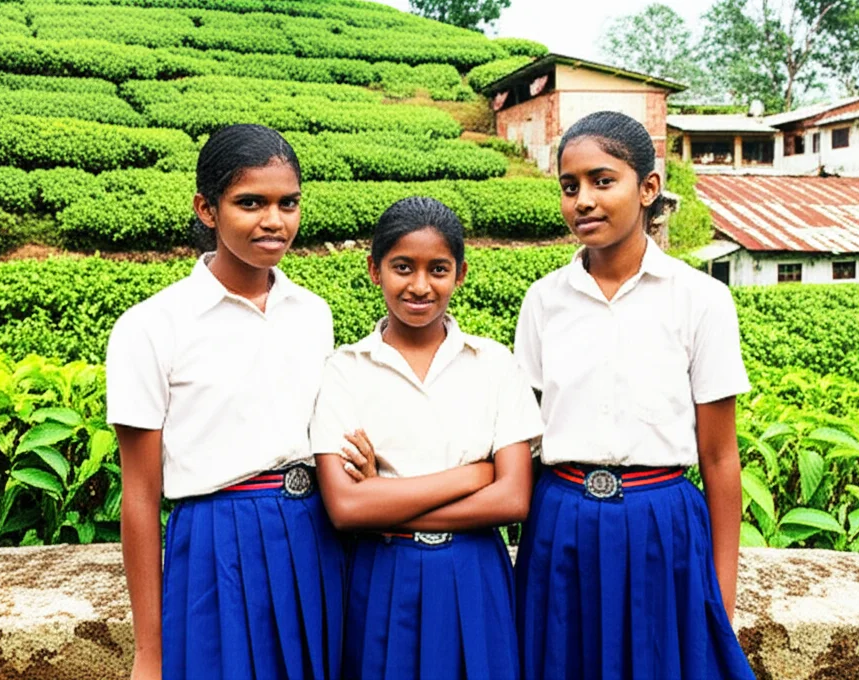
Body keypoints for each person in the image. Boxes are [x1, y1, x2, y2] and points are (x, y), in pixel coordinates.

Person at [513, 111, 755, 680]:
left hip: (660, 525)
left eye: (603, 180)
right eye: (569, 187)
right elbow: (522, 439)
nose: (584, 201)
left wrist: (723, 592)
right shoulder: (544, 301)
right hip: (561, 524)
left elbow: (720, 457)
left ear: (648, 188)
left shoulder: (700, 300)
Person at [107, 124, 346, 680]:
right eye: (250, 203)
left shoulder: (312, 313)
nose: (274, 220)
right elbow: (140, 496)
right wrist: (149, 650)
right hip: (218, 546)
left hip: (314, 537)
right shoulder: (150, 328)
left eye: (289, 203)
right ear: (206, 209)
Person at [311, 196, 542, 680]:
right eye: (402, 267)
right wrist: (475, 474)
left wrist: (385, 499)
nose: (420, 286)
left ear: (460, 274)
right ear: (374, 270)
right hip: (383, 575)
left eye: (438, 269)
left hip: (473, 572)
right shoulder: (345, 370)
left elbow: (514, 497)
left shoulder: (494, 365)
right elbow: (346, 509)